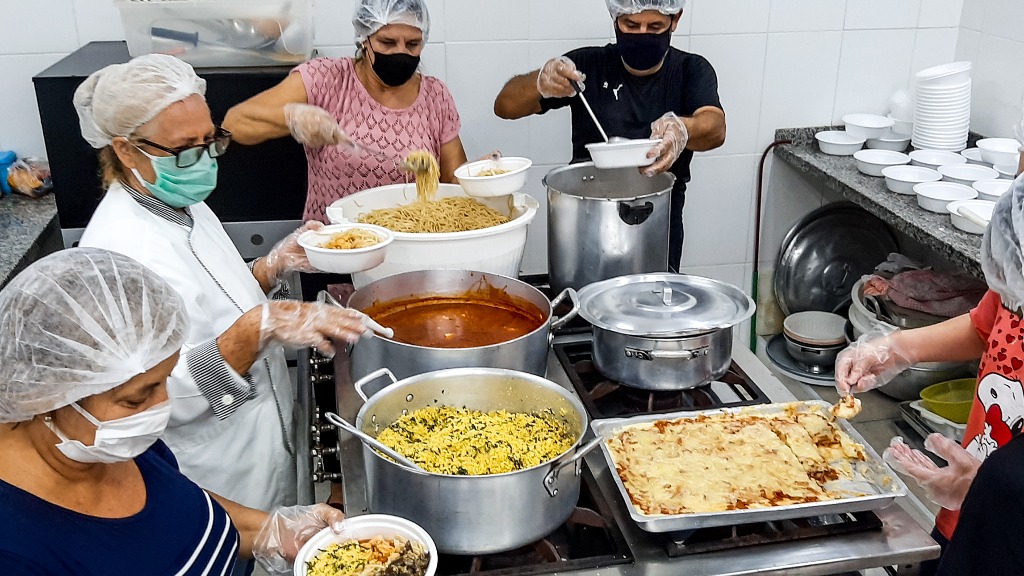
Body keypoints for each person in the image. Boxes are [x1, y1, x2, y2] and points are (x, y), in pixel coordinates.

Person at [72, 53, 370, 573]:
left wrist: (271, 266)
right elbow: (159, 395)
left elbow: (210, 297)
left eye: (210, 141)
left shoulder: (179, 204)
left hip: (265, 438)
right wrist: (258, 328)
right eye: (187, 149)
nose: (206, 158)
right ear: (125, 149)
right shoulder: (118, 254)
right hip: (219, 469)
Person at [0, 247, 345, 575]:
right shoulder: (16, 551)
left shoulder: (102, 444)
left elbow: (174, 506)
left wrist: (271, 531)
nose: (162, 405)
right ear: (46, 396)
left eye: (164, 380)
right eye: (138, 398)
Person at [836, 163, 1024, 575]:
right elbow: (985, 324)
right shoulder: (1018, 274)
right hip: (964, 506)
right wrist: (894, 349)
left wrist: (993, 489)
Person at [493, 0, 725, 271]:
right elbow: (505, 106)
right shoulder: (587, 66)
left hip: (659, 220)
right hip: (583, 217)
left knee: (649, 304)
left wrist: (684, 128)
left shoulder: (690, 70)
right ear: (615, 19)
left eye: (655, 26)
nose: (642, 34)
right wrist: (539, 83)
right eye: (631, 25)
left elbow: (716, 127)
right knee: (581, 303)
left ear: (675, 20)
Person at [223, 0, 468, 223]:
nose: (400, 53)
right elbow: (235, 123)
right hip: (336, 247)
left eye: (412, 44)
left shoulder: (435, 95)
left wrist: (481, 177)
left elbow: (452, 181)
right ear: (364, 38)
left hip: (411, 245)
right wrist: (293, 118)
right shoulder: (327, 78)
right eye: (387, 42)